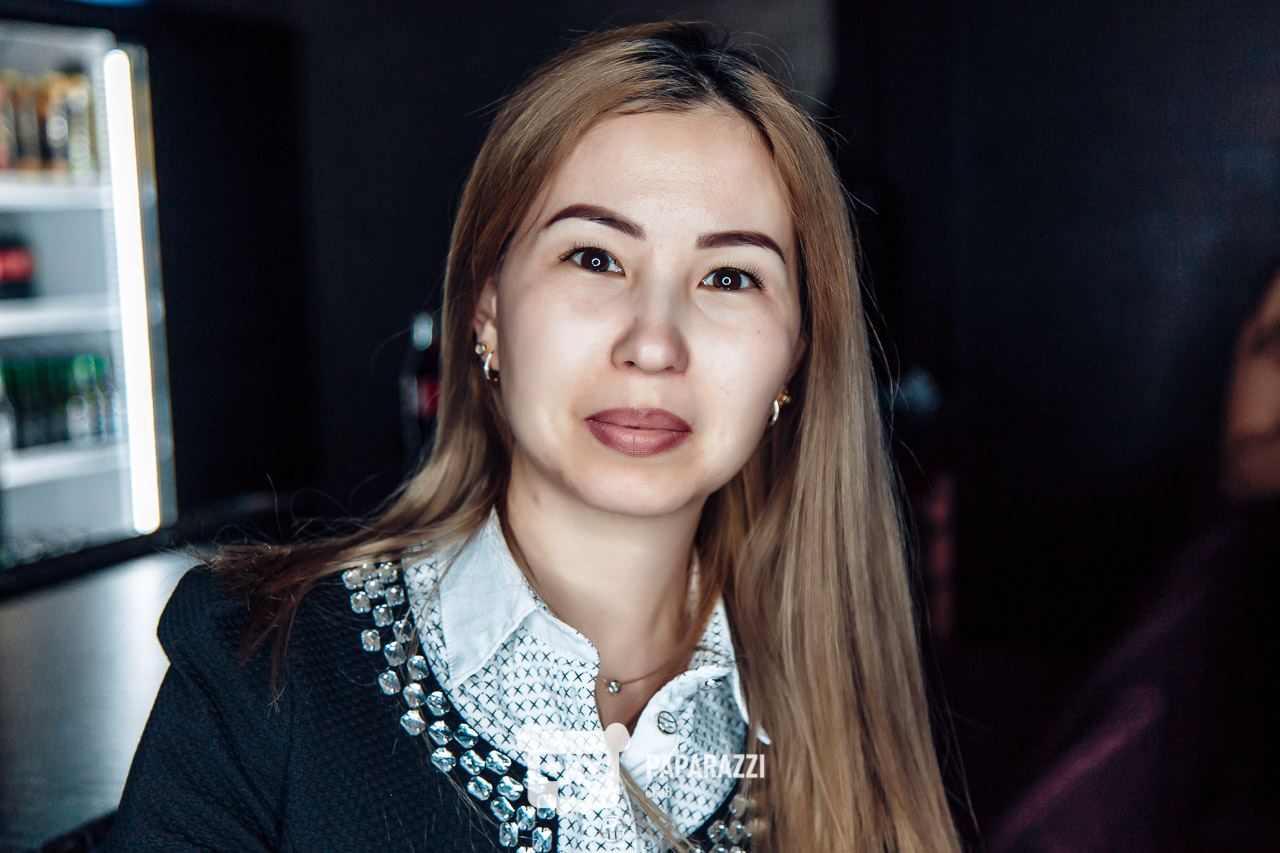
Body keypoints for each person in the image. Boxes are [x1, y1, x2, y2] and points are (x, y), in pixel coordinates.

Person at [101, 22, 964, 852]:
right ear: (487, 308)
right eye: (595, 257)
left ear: (795, 357)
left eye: (730, 276)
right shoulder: (257, 666)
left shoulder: (844, 726)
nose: (654, 344)